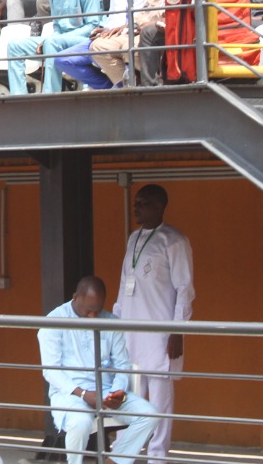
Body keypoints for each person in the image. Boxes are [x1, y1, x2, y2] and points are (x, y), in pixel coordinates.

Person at [112, 186, 195, 463]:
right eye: (136, 202)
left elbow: (184, 288)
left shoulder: (174, 241)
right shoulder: (133, 238)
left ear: (160, 207)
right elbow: (124, 284)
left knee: (159, 402)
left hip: (161, 335)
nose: (137, 207)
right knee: (129, 397)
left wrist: (178, 330)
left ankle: (157, 456)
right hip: (130, 333)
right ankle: (123, 453)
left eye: (144, 203)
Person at [38, 276, 159, 464]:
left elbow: (122, 365)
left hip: (106, 392)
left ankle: (114, 461)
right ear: (75, 297)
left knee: (149, 416)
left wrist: (115, 393)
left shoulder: (111, 321)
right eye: (88, 310)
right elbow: (51, 371)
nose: (93, 316)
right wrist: (84, 394)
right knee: (80, 423)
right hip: (71, 395)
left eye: (98, 310)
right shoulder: (53, 321)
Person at [2, 0, 103, 95]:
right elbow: (57, 26)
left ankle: (50, 94)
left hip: (83, 40)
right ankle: (18, 96)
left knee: (51, 43)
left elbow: (92, 26)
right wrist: (57, 38)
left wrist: (57, 39)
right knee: (14, 46)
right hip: (58, 40)